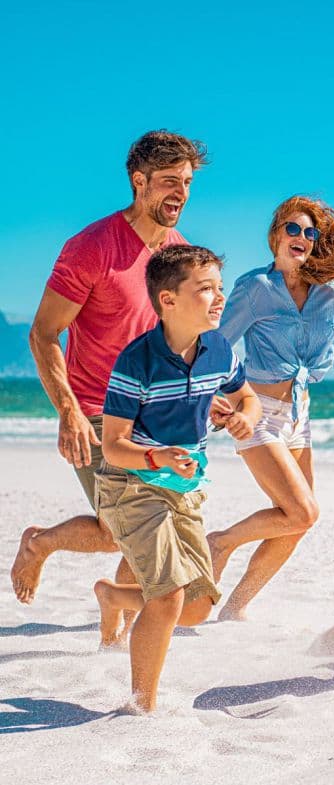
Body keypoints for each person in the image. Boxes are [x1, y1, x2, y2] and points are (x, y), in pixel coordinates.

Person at [11, 130, 207, 607]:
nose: (179, 192)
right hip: (99, 412)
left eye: (185, 181)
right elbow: (42, 334)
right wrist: (70, 412)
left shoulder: (177, 252)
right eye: (167, 181)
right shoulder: (91, 247)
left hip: (156, 415)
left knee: (134, 525)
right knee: (130, 528)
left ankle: (112, 612)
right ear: (139, 182)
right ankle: (40, 545)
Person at [206, 196, 334, 620]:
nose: (301, 238)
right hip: (256, 411)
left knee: (299, 521)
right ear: (276, 235)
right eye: (293, 229)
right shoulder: (255, 289)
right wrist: (210, 393)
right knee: (301, 510)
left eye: (309, 233)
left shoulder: (329, 298)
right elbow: (217, 342)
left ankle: (236, 606)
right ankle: (220, 542)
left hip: (299, 417)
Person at [92, 245, 260, 713]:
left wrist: (245, 415)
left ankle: (113, 596)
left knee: (198, 605)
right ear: (167, 301)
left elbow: (247, 397)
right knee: (167, 597)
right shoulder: (136, 362)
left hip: (184, 487)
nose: (218, 298)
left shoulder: (219, 349)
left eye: (220, 288)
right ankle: (140, 706)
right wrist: (158, 456)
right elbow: (113, 445)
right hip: (132, 484)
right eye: (205, 289)